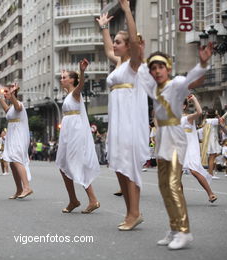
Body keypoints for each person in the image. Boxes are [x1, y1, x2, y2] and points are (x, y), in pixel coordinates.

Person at [136, 30, 213, 248]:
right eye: (153, 68)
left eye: (160, 67)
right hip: (161, 139)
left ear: (167, 68)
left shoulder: (176, 84)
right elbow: (140, 70)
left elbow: (193, 80)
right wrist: (141, 53)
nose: (156, 71)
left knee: (172, 184)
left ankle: (185, 231)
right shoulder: (153, 87)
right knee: (163, 186)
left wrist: (203, 63)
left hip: (177, 137)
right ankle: (173, 228)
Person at [96, 0, 149, 230]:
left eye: (119, 42)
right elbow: (108, 49)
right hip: (117, 122)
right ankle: (130, 213)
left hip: (130, 122)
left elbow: (135, 41)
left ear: (129, 46)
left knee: (129, 167)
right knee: (118, 166)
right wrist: (104, 28)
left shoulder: (135, 64)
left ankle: (135, 212)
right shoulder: (119, 63)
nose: (115, 45)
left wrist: (127, 10)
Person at [56, 59, 101, 214]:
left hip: (75, 132)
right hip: (67, 132)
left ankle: (93, 200)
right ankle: (73, 200)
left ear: (72, 80)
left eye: (64, 77)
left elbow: (81, 85)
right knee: (63, 165)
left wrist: (82, 72)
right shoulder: (67, 95)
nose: (61, 79)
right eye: (61, 78)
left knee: (77, 164)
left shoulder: (75, 93)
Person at [0, 83, 33, 199]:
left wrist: (12, 95)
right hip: (12, 135)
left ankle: (27, 187)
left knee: (16, 159)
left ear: (13, 92)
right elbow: (8, 110)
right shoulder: (11, 108)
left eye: (6, 92)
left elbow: (18, 107)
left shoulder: (19, 104)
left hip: (19, 135)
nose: (4, 93)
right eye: (4, 92)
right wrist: (0, 99)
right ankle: (19, 189)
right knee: (11, 162)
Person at [181, 95, 217, 203]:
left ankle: (210, 193)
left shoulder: (187, 118)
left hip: (189, 148)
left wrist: (194, 99)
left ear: (184, 106)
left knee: (194, 170)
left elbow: (199, 112)